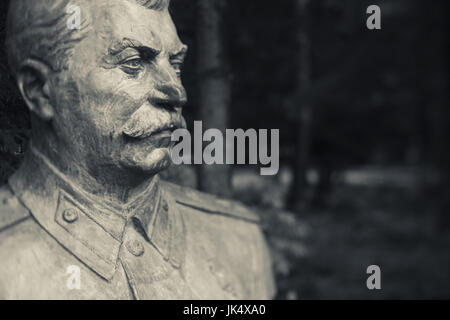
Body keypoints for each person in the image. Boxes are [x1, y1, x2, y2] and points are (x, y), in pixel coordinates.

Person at [0, 0, 275, 299]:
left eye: (176, 65)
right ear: (40, 89)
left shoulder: (238, 242)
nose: (176, 93)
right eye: (133, 64)